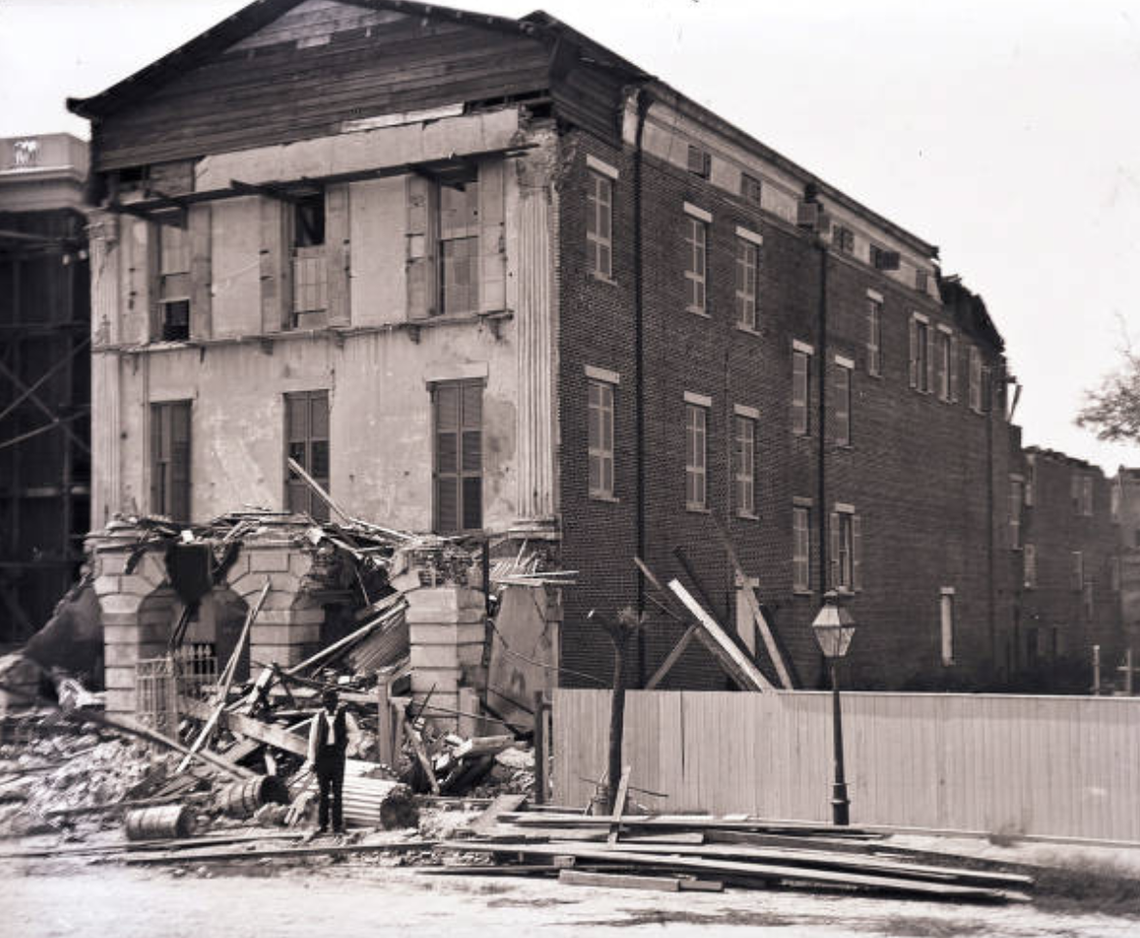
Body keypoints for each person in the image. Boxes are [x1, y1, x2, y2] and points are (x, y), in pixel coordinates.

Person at [303, 687, 361, 834]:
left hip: (337, 759)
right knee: (323, 793)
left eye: (332, 701)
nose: (329, 703)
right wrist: (312, 761)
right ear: (323, 702)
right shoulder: (318, 717)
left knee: (337, 792)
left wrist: (347, 748)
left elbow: (356, 734)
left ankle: (337, 825)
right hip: (322, 759)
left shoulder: (345, 716)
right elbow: (312, 740)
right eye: (326, 701)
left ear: (337, 702)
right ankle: (322, 825)